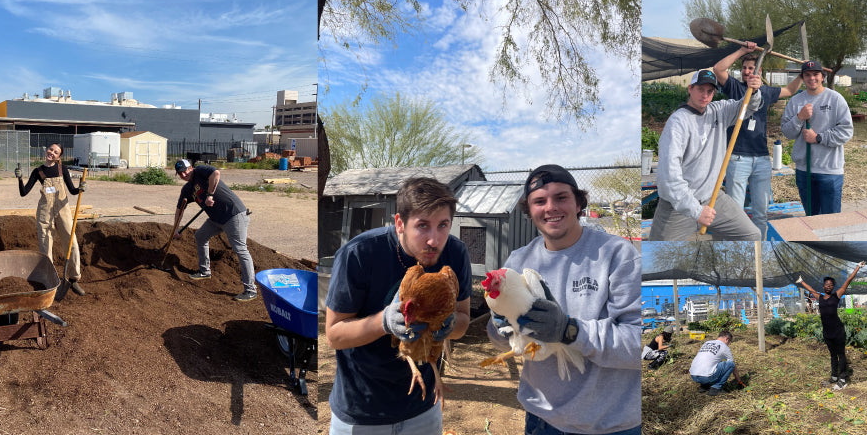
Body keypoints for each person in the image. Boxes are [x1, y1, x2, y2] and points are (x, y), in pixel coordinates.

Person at [486, 164, 641, 435]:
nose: (550, 208)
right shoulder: (518, 260)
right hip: (542, 418)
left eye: (561, 197)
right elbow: (500, 338)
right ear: (529, 210)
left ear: (579, 203)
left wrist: (569, 331)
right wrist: (501, 326)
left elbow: (637, 344)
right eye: (539, 201)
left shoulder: (617, 255)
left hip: (609, 423)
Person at [324, 177, 472, 434]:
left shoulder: (455, 254)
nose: (434, 240)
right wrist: (383, 322)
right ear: (400, 223)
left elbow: (463, 320)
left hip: (423, 409)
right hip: (363, 411)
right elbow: (334, 335)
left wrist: (449, 325)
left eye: (443, 225)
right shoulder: (360, 254)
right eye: (423, 226)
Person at [649, 69, 763, 241]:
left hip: (713, 197)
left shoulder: (719, 111)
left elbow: (748, 106)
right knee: (657, 253)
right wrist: (696, 211)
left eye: (710, 91)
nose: (705, 95)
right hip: (678, 206)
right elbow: (668, 177)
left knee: (752, 235)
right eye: (700, 89)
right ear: (690, 89)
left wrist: (753, 91)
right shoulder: (678, 122)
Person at [713, 43, 803, 239]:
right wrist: (743, 51)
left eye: (751, 68)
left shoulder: (767, 91)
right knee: (735, 212)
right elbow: (718, 69)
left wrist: (802, 74)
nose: (746, 72)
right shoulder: (735, 87)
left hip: (762, 159)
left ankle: (757, 250)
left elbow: (790, 90)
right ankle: (736, 248)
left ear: (759, 71)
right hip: (737, 157)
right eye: (744, 68)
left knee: (761, 213)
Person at [171, 159, 255, 301]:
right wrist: (176, 228)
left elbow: (215, 173)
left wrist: (210, 195)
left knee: (240, 249)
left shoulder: (200, 171)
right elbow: (180, 208)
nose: (184, 174)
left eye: (185, 170)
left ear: (191, 167)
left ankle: (250, 290)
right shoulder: (187, 189)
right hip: (216, 219)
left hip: (233, 214)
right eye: (180, 173)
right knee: (200, 236)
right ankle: (204, 271)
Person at [780, 61, 853, 216]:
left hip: (830, 171)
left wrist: (818, 138)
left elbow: (846, 131)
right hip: (804, 171)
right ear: (803, 77)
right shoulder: (796, 101)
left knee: (830, 221)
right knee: (811, 219)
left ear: (822, 77)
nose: (811, 78)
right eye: (807, 75)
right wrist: (799, 118)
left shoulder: (835, 99)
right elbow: (788, 132)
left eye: (815, 74)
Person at [16, 143, 87, 295]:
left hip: (63, 210)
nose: (52, 153)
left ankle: (74, 279)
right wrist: (20, 178)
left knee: (71, 242)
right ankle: (50, 282)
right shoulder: (38, 171)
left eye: (56, 152)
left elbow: (73, 191)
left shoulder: (63, 169)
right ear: (46, 150)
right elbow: (24, 192)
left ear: (59, 157)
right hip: (45, 212)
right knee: (45, 246)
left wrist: (81, 187)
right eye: (51, 150)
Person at [795, 261, 864, 390]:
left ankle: (843, 379)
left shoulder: (836, 295)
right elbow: (810, 289)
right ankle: (834, 377)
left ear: (832, 287)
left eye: (831, 285)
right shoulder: (819, 297)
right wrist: (801, 282)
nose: (828, 286)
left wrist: (857, 268)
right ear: (823, 286)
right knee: (832, 355)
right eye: (826, 284)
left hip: (838, 331)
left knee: (841, 354)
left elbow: (848, 281)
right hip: (827, 333)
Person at [689, 330, 744, 396]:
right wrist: (739, 382)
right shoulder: (724, 347)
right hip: (706, 378)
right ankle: (716, 388)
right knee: (731, 364)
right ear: (727, 339)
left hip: (694, 375)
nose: (729, 344)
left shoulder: (707, 343)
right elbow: (733, 367)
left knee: (712, 363)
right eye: (729, 342)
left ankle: (704, 386)